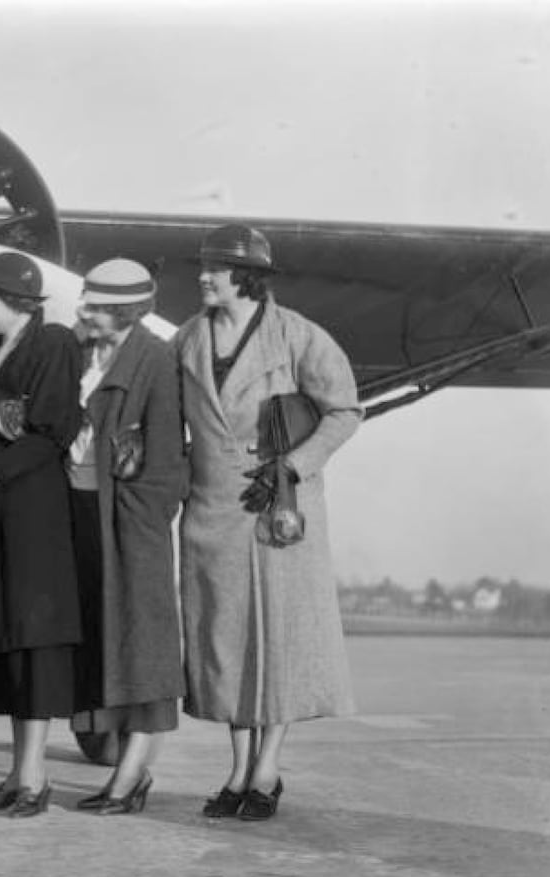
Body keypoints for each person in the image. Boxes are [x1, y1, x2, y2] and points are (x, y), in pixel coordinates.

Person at [176, 224, 361, 821]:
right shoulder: (186, 339)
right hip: (211, 513)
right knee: (226, 645)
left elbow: (344, 411)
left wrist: (294, 467)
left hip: (280, 514)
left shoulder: (298, 336)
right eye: (204, 265)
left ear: (247, 276)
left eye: (216, 267)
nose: (203, 275)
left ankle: (266, 770)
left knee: (277, 641)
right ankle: (235, 770)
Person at [0, 251, 82, 819]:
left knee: (33, 640)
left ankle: (34, 777)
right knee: (6, 638)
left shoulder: (54, 344)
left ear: (15, 301)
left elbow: (54, 430)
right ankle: (16, 773)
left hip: (33, 512)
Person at [66, 259, 189, 815]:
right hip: (84, 515)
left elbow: (167, 464)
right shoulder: (82, 353)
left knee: (143, 649)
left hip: (130, 528)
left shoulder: (157, 361)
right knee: (99, 644)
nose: (80, 311)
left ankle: (130, 776)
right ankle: (120, 767)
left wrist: (136, 518)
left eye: (91, 305)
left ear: (119, 312)